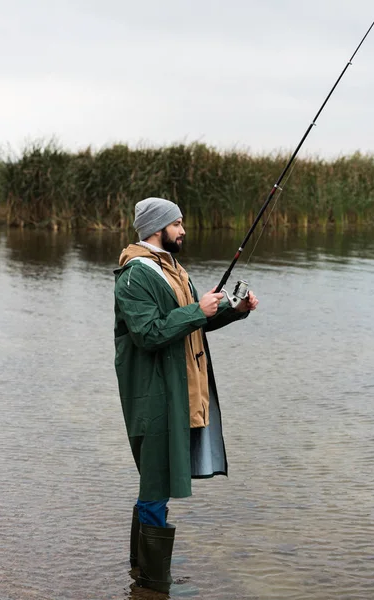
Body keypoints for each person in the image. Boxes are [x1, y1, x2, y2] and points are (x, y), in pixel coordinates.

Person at [113, 197, 258, 593]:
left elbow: (193, 324)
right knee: (156, 484)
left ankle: (141, 574)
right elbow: (148, 333)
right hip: (154, 396)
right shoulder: (134, 276)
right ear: (157, 228)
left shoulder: (174, 269)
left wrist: (233, 309)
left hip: (176, 390)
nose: (183, 230)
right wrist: (198, 310)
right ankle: (154, 583)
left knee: (155, 483)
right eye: (177, 224)